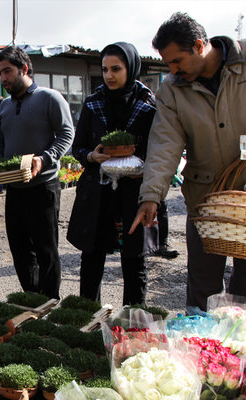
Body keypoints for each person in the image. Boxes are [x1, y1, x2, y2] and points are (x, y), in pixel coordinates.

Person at [130, 12, 246, 312]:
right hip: (206, 199)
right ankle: (201, 352)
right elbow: (165, 143)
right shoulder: (172, 89)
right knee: (202, 284)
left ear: (200, 45)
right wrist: (151, 196)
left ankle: (244, 352)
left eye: (177, 61)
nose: (172, 70)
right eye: (168, 64)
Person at [67, 42, 158, 304]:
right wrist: (92, 156)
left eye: (116, 69)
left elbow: (161, 148)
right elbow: (78, 147)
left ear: (131, 68)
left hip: (134, 193)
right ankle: (86, 317)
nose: (109, 75)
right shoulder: (93, 102)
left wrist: (140, 167)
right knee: (91, 258)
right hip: (98, 192)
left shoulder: (149, 105)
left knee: (133, 261)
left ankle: (132, 324)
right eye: (105, 69)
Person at [0, 46, 74, 299]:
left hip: (43, 187)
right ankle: (32, 298)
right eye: (0, 73)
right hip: (15, 189)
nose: (3, 78)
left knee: (46, 249)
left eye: (7, 71)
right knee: (20, 249)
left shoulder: (50, 98)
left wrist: (45, 158)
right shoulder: (5, 106)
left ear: (24, 69)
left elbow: (66, 134)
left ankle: (50, 301)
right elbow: (1, 143)